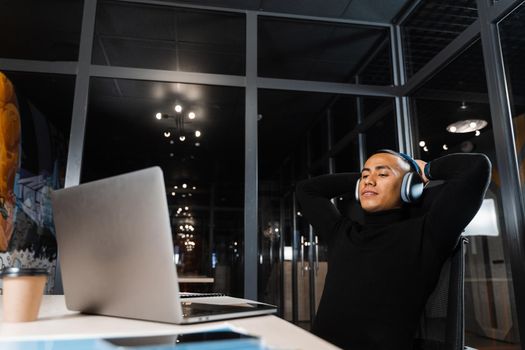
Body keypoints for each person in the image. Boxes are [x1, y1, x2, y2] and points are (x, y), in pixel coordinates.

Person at [295, 150, 491, 350]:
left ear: (409, 186)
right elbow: (306, 189)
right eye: (365, 176)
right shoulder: (341, 233)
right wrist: (365, 177)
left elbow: (475, 167)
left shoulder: (428, 234)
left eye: (382, 174)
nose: (368, 181)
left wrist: (426, 170)